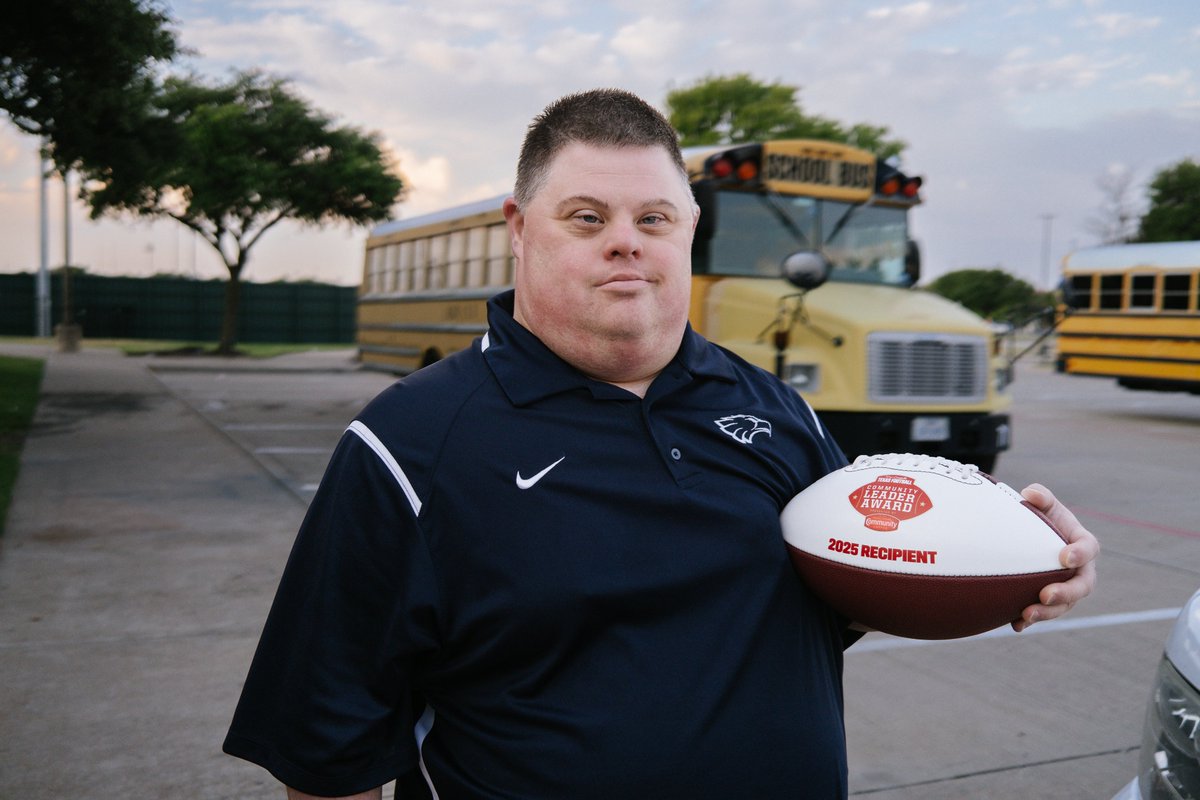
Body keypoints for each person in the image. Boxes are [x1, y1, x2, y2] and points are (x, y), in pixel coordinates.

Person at [223, 89, 1099, 800]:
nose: (626, 242)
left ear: (686, 231)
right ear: (519, 230)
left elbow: (848, 587)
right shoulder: (408, 444)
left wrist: (1024, 566)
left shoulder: (775, 412)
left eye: (655, 218)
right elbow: (328, 749)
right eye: (585, 215)